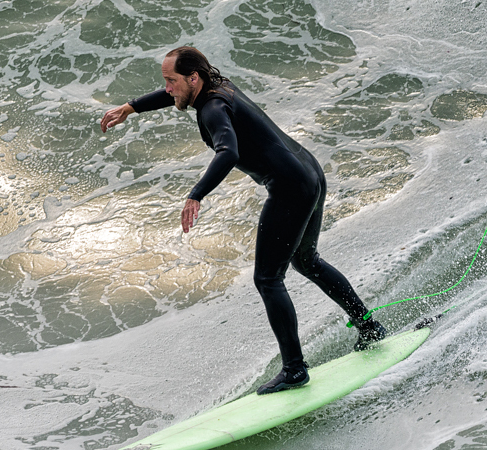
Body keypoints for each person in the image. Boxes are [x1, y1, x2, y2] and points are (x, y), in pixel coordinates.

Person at [100, 45, 388, 393]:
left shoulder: (212, 109)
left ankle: (295, 370)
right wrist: (131, 107)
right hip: (309, 171)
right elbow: (172, 96)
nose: (167, 88)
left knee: (268, 279)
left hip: (290, 187)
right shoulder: (218, 86)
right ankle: (369, 327)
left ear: (194, 78)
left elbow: (228, 152)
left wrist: (196, 194)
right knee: (306, 261)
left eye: (171, 81)